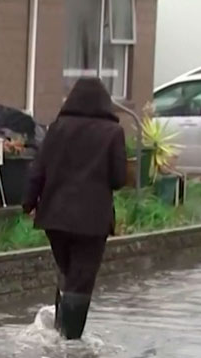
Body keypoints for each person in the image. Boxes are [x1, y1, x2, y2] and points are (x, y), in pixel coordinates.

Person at [22, 78, 127, 340]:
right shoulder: (113, 133)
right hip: (92, 220)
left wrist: (28, 203)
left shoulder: (57, 128)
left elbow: (39, 168)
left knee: (67, 272)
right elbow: (118, 179)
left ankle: (59, 332)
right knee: (82, 278)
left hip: (55, 217)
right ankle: (70, 342)